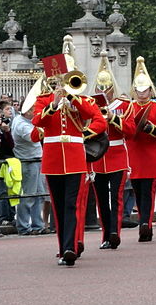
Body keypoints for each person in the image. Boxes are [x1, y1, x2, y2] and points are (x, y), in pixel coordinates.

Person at [31, 59, 107, 266]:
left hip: (75, 158)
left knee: (72, 204)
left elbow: (98, 120)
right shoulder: (43, 100)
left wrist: (73, 98)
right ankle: (62, 247)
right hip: (53, 159)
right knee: (59, 206)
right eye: (56, 81)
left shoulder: (83, 100)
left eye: (63, 81)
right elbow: (37, 121)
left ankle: (70, 248)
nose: (60, 85)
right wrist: (54, 104)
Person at [89, 53, 136, 249]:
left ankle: (115, 232)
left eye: (106, 88)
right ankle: (106, 235)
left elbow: (131, 131)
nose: (103, 91)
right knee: (101, 199)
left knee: (116, 197)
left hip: (117, 155)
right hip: (98, 157)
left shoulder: (124, 106)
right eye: (100, 88)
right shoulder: (90, 106)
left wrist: (113, 118)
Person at [127, 57, 156, 242]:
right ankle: (144, 221)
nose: (142, 94)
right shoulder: (129, 106)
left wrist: (150, 128)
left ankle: (146, 223)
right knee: (138, 191)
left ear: (150, 90)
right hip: (136, 153)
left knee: (149, 191)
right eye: (139, 90)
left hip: (151, 154)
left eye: (145, 90)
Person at [11, 103, 45, 235]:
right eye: (32, 110)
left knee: (38, 195)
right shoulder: (21, 124)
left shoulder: (28, 121)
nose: (35, 112)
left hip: (35, 160)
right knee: (28, 196)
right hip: (28, 161)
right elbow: (33, 137)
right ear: (26, 111)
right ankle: (24, 227)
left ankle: (38, 225)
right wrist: (42, 123)